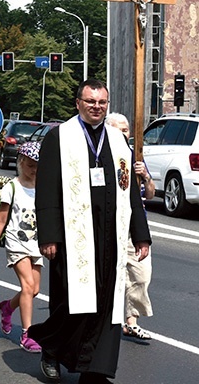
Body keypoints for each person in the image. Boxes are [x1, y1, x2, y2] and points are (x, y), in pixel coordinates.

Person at [27, 79, 151, 384]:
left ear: (106, 105)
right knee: (72, 304)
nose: (96, 107)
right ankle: (52, 349)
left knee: (106, 304)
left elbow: (130, 190)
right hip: (72, 236)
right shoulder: (60, 137)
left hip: (110, 236)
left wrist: (141, 234)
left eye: (101, 103)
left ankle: (95, 369)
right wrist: (49, 235)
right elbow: (47, 190)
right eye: (90, 101)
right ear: (78, 103)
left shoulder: (118, 141)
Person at [0, 141, 43, 353]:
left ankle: (7, 307)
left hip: (36, 243)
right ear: (21, 162)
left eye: (37, 165)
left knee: (34, 290)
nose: (34, 169)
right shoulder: (12, 187)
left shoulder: (43, 186)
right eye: (30, 165)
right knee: (28, 286)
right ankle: (27, 334)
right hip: (16, 240)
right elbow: (1, 219)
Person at [105, 112, 154, 340]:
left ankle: (131, 316)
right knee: (116, 275)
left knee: (141, 275)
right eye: (119, 129)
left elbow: (151, 194)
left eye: (126, 130)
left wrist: (144, 176)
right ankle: (126, 321)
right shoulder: (103, 155)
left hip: (136, 226)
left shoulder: (135, 157)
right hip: (112, 225)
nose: (124, 133)